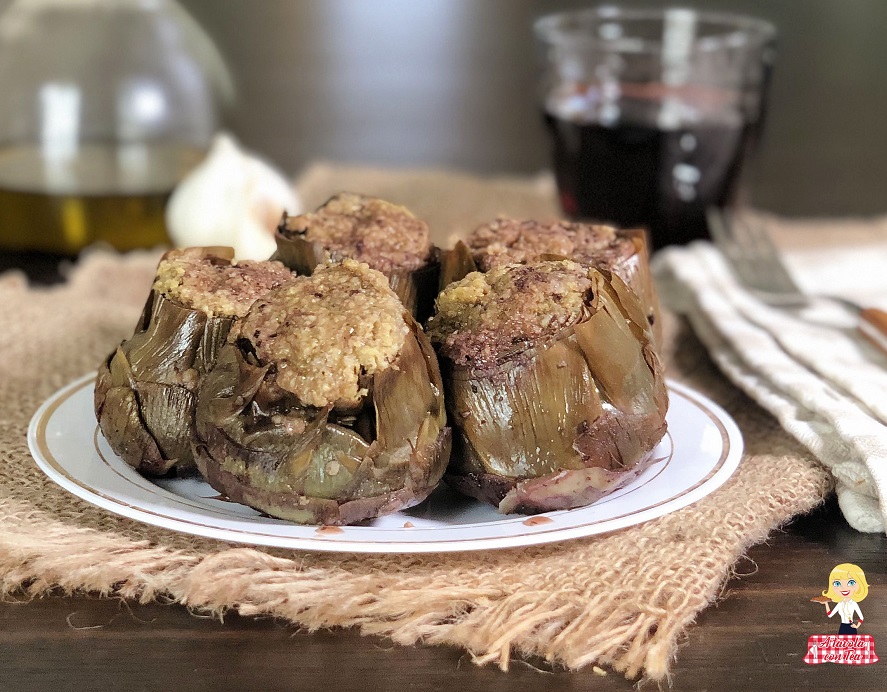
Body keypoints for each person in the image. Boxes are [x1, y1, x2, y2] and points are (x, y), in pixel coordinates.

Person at [821, 563, 868, 635]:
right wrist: (826, 603)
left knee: (852, 645)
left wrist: (857, 626)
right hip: (842, 627)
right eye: (837, 583)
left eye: (851, 583)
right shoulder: (840, 604)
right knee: (842, 645)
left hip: (851, 627)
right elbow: (830, 615)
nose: (844, 588)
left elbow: (861, 617)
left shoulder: (853, 603)